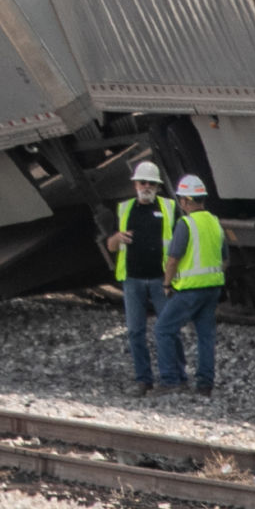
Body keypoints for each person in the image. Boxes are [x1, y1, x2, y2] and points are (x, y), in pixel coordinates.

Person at [106, 160, 175, 396]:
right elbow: (111, 246)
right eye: (142, 182)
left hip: (160, 280)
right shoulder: (124, 209)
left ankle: (170, 379)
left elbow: (178, 246)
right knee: (136, 331)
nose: (146, 186)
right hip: (133, 280)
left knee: (165, 330)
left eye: (151, 184)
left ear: (157, 186)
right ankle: (143, 381)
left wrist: (172, 279)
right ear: (135, 184)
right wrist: (117, 237)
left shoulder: (169, 208)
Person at [153, 174, 225, 397]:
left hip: (190, 290)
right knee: (206, 336)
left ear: (185, 201)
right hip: (212, 288)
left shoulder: (186, 224)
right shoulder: (215, 222)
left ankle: (171, 380)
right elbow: (224, 257)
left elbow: (173, 258)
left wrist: (166, 284)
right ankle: (205, 385)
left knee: (163, 329)